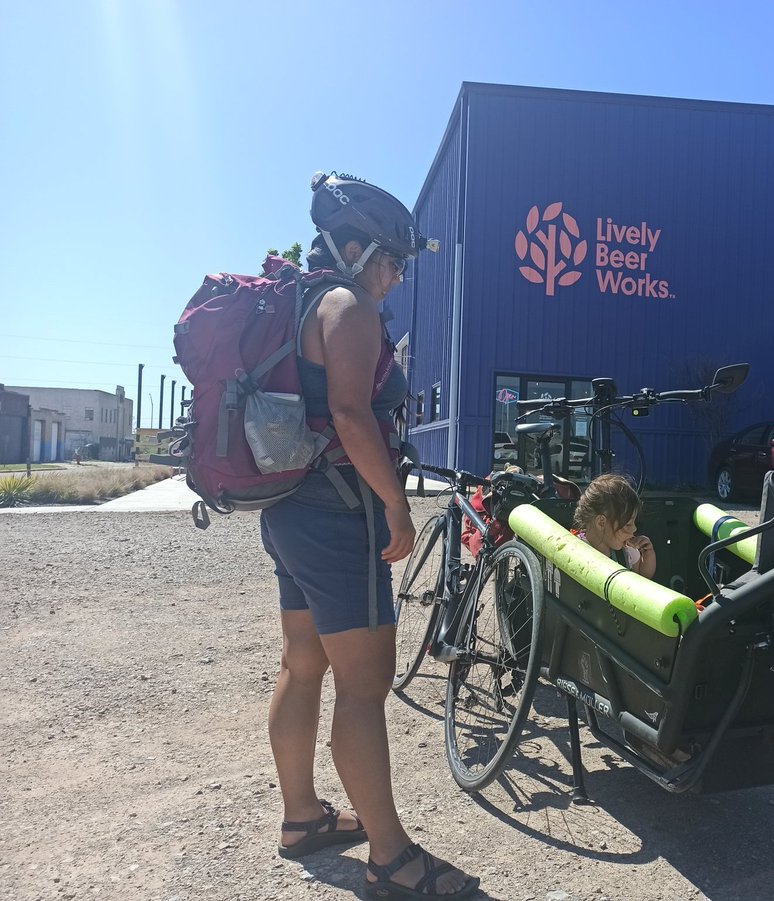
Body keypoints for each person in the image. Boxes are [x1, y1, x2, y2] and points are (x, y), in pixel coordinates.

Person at [258, 172, 478, 899]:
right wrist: (397, 506)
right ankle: (390, 855)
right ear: (353, 249)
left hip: (290, 509)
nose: (397, 276)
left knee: (303, 664)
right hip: (337, 515)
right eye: (392, 260)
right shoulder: (348, 306)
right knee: (363, 686)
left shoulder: (300, 301)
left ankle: (302, 818)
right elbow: (351, 415)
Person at [572, 473, 656, 579]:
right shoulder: (577, 551)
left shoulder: (626, 552)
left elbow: (643, 576)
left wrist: (648, 554)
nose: (634, 529)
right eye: (627, 524)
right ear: (601, 523)